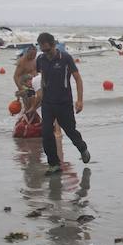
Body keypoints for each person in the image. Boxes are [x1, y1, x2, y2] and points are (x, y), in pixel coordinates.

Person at [35, 33, 91, 174]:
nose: (45, 53)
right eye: (43, 50)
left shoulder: (65, 58)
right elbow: (40, 77)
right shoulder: (40, 59)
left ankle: (82, 147)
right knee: (46, 133)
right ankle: (54, 164)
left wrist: (79, 100)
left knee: (70, 131)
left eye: (48, 50)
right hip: (47, 103)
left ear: (53, 45)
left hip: (64, 103)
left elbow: (78, 79)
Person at [13, 44, 38, 114]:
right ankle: (26, 118)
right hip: (25, 86)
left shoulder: (34, 60)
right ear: (27, 52)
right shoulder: (22, 62)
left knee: (36, 103)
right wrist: (21, 88)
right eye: (32, 54)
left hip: (34, 85)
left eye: (35, 54)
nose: (33, 56)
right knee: (28, 106)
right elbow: (15, 76)